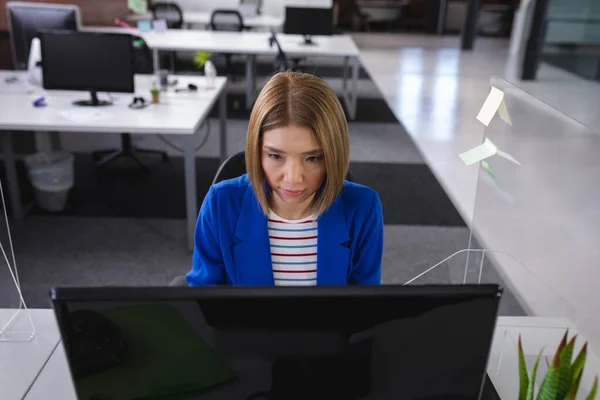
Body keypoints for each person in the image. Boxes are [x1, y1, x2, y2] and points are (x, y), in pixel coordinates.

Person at [186, 71, 383, 286]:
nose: (293, 178)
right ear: (256, 150)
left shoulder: (363, 209)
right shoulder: (220, 205)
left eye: (313, 158)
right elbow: (204, 302)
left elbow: (363, 308)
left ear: (335, 155)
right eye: (276, 156)